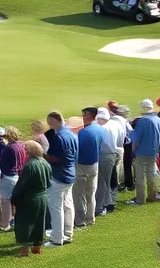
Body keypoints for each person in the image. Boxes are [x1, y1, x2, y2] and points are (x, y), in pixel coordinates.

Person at [10, 141, 51, 257]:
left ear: (29, 151)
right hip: (43, 197)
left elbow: (21, 184)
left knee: (26, 223)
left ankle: (25, 249)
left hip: (30, 198)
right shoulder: (45, 163)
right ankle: (37, 247)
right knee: (39, 223)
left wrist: (14, 198)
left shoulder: (30, 165)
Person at [43, 112, 77, 247]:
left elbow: (54, 158)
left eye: (49, 121)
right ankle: (68, 233)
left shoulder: (59, 137)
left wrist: (43, 155)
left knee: (56, 207)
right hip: (70, 173)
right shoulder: (72, 134)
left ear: (55, 120)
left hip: (59, 175)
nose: (49, 124)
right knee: (68, 204)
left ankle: (57, 239)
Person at [130, 99, 160, 206]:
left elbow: (136, 139)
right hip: (154, 152)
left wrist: (133, 152)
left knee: (140, 177)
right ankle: (152, 196)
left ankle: (140, 199)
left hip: (142, 152)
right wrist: (158, 149)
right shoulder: (159, 120)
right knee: (151, 175)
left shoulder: (143, 121)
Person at [74, 107, 102, 226]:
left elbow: (77, 150)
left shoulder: (83, 132)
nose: (83, 116)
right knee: (91, 193)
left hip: (82, 165)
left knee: (79, 194)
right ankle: (90, 218)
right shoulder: (100, 129)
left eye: (84, 114)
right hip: (95, 164)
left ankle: (80, 220)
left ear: (88, 115)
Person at [95, 108, 123, 216]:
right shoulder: (116, 125)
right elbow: (120, 140)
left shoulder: (100, 127)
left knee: (103, 182)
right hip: (113, 153)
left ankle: (104, 205)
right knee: (110, 179)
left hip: (103, 155)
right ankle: (110, 201)